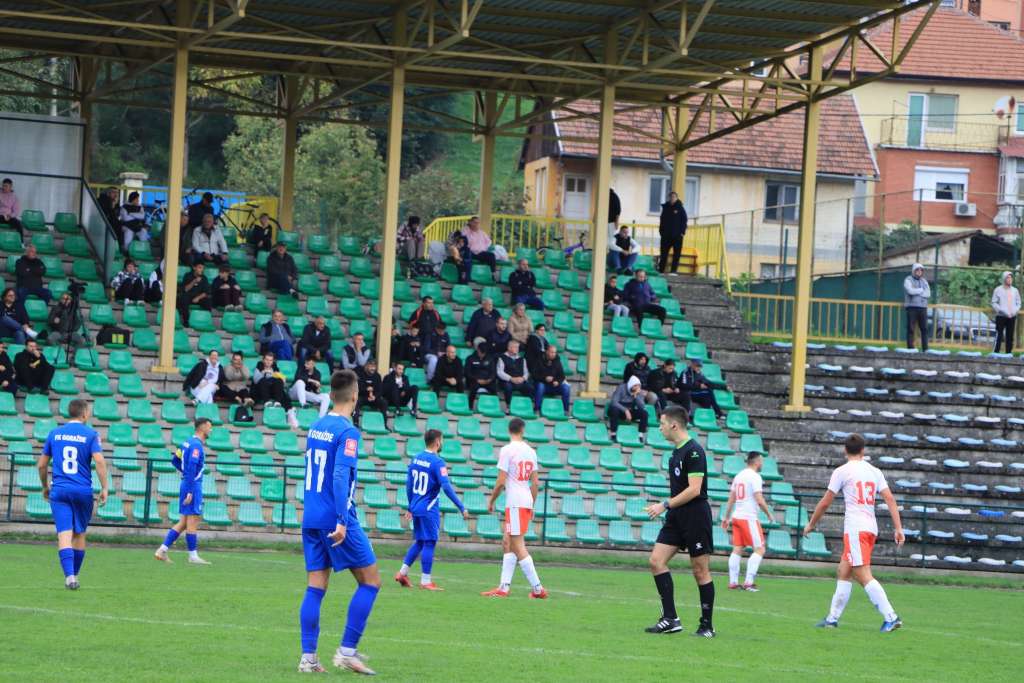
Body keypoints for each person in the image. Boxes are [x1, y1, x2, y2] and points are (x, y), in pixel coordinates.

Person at [295, 370, 381, 675]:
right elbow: (341, 475)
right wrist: (343, 520)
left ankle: (308, 659)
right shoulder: (348, 432)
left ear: (331, 396)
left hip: (311, 516)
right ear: (355, 396)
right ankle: (347, 652)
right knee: (371, 581)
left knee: (316, 587)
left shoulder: (316, 426)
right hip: (336, 517)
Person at [804, 433, 905, 632]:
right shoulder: (874, 471)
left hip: (856, 529)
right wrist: (898, 528)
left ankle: (891, 617)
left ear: (845, 450)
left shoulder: (842, 471)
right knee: (844, 571)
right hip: (870, 528)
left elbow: (825, 502)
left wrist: (811, 524)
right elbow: (890, 499)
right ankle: (832, 619)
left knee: (862, 574)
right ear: (863, 450)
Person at [643, 406, 716, 637]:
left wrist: (664, 505)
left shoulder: (694, 451)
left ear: (674, 425)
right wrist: (670, 507)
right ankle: (670, 619)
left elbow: (694, 490)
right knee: (656, 561)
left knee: (700, 570)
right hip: (677, 515)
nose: (660, 428)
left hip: (695, 515)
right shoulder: (675, 453)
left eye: (662, 424)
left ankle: (707, 626)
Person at [38, 398, 108, 590]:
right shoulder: (91, 434)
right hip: (82, 491)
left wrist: (45, 486)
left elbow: (42, 465)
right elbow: (99, 461)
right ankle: (74, 575)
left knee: (64, 534)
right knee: (79, 534)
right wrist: (104, 488)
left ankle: (69, 576)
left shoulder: (55, 433)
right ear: (84, 413)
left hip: (60, 490)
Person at [481, 417, 546, 599]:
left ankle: (538, 589)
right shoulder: (531, 452)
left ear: (509, 430)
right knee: (507, 542)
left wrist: (491, 501)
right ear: (522, 430)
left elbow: (501, 481)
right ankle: (504, 587)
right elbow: (535, 483)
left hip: (515, 502)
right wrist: (531, 504)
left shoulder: (507, 450)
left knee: (517, 545)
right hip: (524, 500)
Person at [395, 428, 466, 591]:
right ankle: (426, 581)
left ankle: (402, 573)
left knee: (420, 541)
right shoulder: (437, 462)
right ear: (437, 442)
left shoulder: (416, 458)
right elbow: (446, 487)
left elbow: (409, 485)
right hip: (429, 508)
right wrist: (461, 506)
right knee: (430, 542)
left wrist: (410, 506)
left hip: (416, 506)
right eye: (442, 440)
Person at [154, 417, 214, 566]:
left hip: (187, 482)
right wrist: (190, 489)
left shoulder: (187, 442)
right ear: (202, 428)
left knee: (183, 522)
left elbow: (175, 460)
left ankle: (162, 550)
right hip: (192, 485)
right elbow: (192, 466)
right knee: (192, 520)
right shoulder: (196, 446)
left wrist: (185, 475)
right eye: (209, 427)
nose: (211, 430)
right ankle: (193, 556)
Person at [721, 452, 776, 591]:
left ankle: (733, 582)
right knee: (760, 549)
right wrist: (768, 513)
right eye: (761, 461)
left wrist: (726, 517)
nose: (762, 463)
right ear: (756, 461)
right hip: (748, 517)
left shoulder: (739, 476)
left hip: (737, 517)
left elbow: (731, 499)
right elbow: (759, 499)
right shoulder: (755, 477)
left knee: (737, 549)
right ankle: (748, 582)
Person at [252, 352, 299, 428]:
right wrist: (263, 372)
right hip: (261, 391)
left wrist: (277, 376)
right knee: (263, 381)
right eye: (267, 359)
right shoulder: (259, 366)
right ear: (263, 360)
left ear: (273, 361)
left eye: (270, 360)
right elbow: (255, 380)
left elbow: (282, 383)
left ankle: (279, 403)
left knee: (279, 382)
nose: (268, 362)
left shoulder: (275, 368)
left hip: (273, 391)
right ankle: (269, 402)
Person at [531, 344, 570, 413]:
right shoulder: (539, 359)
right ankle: (537, 409)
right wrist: (544, 378)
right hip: (542, 384)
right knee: (540, 386)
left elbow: (562, 376)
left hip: (554, 385)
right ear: (547, 352)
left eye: (554, 352)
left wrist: (557, 381)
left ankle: (565, 410)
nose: (553, 354)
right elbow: (534, 375)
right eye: (552, 352)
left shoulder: (557, 360)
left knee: (566, 388)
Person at [608, 376, 648, 440]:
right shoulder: (621, 388)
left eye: (638, 386)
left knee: (644, 413)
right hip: (619, 409)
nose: (637, 388)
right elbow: (614, 402)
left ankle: (640, 435)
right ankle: (613, 433)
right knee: (614, 410)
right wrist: (625, 410)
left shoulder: (638, 392)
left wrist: (636, 396)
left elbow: (642, 406)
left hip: (630, 410)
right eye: (635, 386)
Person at [658, 191, 688, 274]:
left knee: (676, 254)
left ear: (676, 198)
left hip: (677, 236)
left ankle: (673, 271)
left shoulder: (680, 208)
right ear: (669, 198)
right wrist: (661, 231)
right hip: (666, 236)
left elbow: (684, 220)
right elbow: (662, 220)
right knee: (663, 253)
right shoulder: (665, 207)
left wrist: (682, 232)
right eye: (671, 197)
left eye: (674, 197)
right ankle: (661, 270)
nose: (672, 198)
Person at [496, 339, 532, 407]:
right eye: (515, 347)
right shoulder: (502, 358)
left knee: (529, 387)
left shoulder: (522, 359)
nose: (517, 349)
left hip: (520, 380)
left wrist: (523, 378)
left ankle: (526, 406)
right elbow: (499, 372)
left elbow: (526, 372)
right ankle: (508, 406)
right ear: (509, 348)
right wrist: (511, 378)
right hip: (507, 381)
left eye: (517, 347)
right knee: (508, 387)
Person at [992, 270, 1021, 354]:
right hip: (1001, 316)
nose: (1010, 279)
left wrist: (1015, 311)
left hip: (1012, 316)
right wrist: (1001, 310)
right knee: (999, 335)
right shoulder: (998, 290)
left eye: (1011, 277)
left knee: (1010, 336)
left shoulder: (1015, 290)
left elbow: (1019, 303)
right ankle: (995, 353)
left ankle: (1008, 354)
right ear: (1004, 279)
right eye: (1008, 277)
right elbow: (994, 302)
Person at [461, 216, 497, 282]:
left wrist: (484, 248)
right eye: (474, 222)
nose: (476, 224)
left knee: (491, 255)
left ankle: (493, 274)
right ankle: (466, 276)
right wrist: (468, 228)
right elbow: (463, 238)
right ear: (470, 223)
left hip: (480, 253)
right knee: (467, 255)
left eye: (478, 223)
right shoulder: (466, 230)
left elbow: (489, 242)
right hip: (470, 252)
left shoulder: (482, 232)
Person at [903, 263, 930, 351]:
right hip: (912, 307)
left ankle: (925, 349)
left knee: (924, 329)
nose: (919, 272)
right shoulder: (908, 279)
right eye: (917, 270)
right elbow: (910, 291)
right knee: (911, 329)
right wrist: (921, 290)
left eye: (921, 270)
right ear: (913, 271)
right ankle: (910, 348)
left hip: (923, 308)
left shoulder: (924, 281)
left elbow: (928, 294)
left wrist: (916, 292)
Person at [177, 262, 211, 328]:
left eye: (203, 268)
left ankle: (206, 320)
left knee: (208, 301)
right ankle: (186, 321)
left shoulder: (204, 278)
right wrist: (194, 281)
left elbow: (206, 292)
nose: (201, 270)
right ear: (194, 267)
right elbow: (185, 289)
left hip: (198, 297)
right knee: (183, 298)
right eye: (200, 267)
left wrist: (198, 298)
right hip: (188, 296)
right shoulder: (187, 275)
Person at [465, 341, 497, 409]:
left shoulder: (490, 358)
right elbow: (467, 373)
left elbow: (493, 372)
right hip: (475, 380)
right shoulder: (470, 358)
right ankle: (470, 407)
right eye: (481, 352)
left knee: (494, 389)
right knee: (473, 388)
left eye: (483, 353)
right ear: (478, 350)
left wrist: (489, 379)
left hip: (487, 381)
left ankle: (494, 407)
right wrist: (476, 380)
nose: (482, 354)